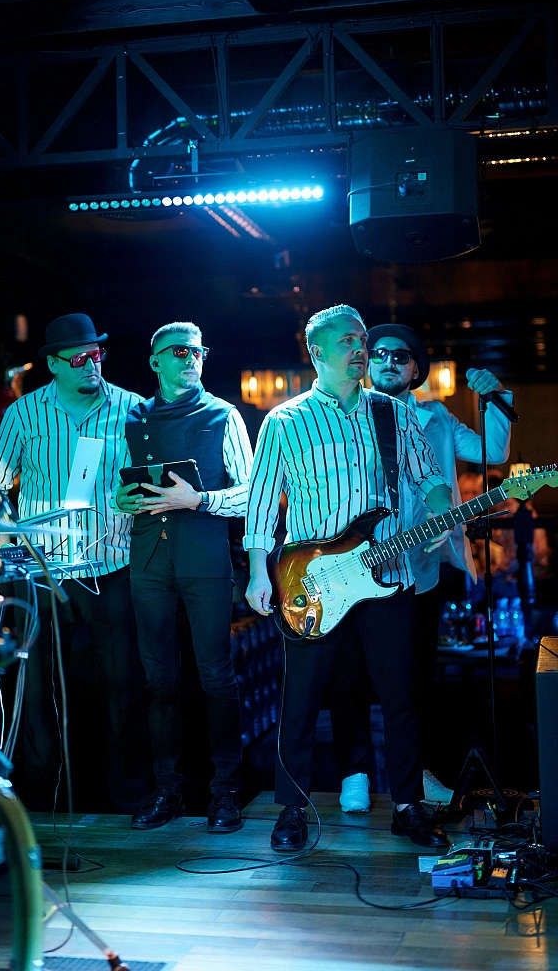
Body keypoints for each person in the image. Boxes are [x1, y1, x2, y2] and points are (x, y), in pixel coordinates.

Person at [244, 304, 452, 851]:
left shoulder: (392, 412)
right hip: (312, 579)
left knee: (401, 696)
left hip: (387, 573)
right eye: (348, 342)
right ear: (316, 352)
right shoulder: (284, 421)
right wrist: (258, 572)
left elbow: (429, 475)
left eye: (362, 340)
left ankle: (407, 806)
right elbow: (261, 504)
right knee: (302, 699)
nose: (361, 350)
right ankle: (292, 809)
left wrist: (440, 511)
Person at [330, 324, 513, 814]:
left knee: (414, 678)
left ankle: (418, 775)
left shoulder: (436, 418)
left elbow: (494, 453)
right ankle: (354, 772)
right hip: (357, 563)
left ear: (416, 370)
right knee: (349, 673)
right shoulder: (346, 415)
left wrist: (496, 396)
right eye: (379, 353)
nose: (389, 361)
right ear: (367, 362)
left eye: (401, 356)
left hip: (421, 567)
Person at [0, 313, 150, 813]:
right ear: (53, 363)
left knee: (123, 688)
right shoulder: (24, 414)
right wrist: (6, 544)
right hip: (42, 571)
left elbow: (152, 483)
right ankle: (42, 801)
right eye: (78, 359)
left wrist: (136, 499)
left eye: (96, 354)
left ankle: (130, 801)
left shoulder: (133, 409)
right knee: (38, 693)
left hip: (111, 565)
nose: (90, 364)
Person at [114, 321, 253, 833]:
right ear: (156, 361)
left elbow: (253, 492)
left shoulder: (223, 414)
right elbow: (117, 485)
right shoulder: (134, 417)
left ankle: (225, 792)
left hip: (204, 559)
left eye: (198, 351)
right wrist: (121, 499)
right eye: (179, 351)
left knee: (216, 675)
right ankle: (168, 789)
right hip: (149, 559)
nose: (191, 358)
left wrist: (200, 499)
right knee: (158, 680)